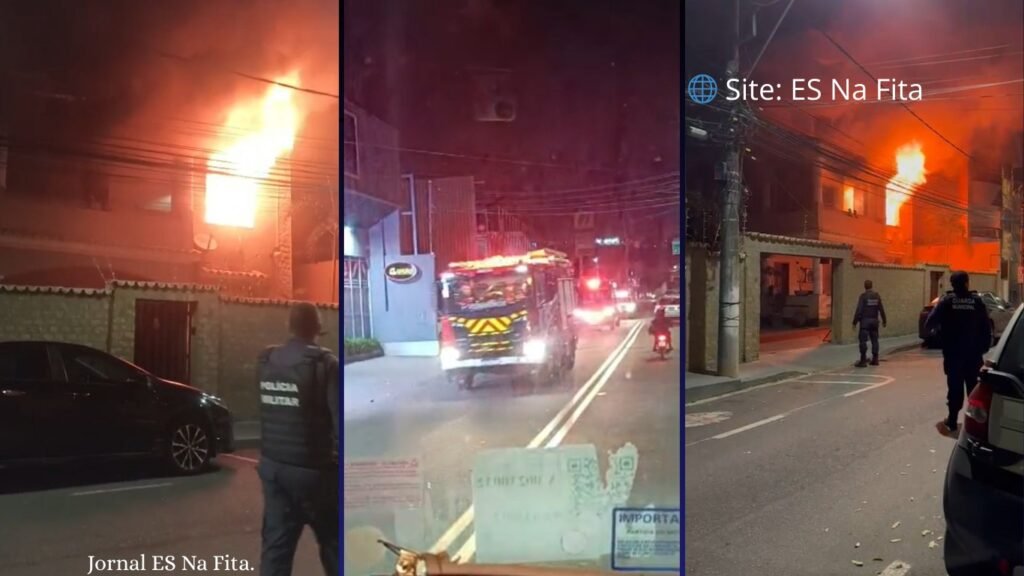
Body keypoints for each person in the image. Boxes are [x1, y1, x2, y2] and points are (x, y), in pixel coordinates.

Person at [257, 303, 339, 575]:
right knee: (335, 546)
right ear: (317, 329)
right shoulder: (324, 364)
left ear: (289, 327)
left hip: (274, 471)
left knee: (276, 553)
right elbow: (339, 424)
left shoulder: (267, 360)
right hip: (315, 476)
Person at [924, 271, 992, 439]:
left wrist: (939, 335)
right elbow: (986, 326)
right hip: (973, 354)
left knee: (954, 387)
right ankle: (977, 423)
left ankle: (952, 420)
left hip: (953, 354)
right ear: (967, 283)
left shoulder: (947, 302)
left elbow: (929, 323)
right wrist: (983, 347)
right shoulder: (976, 302)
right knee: (974, 389)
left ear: (952, 285)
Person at [853, 280, 887, 367]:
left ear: (865, 286)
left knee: (863, 341)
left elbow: (859, 310)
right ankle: (875, 359)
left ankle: (863, 360)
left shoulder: (863, 297)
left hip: (865, 323)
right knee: (875, 340)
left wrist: (855, 322)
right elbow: (881, 309)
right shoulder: (876, 296)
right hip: (874, 322)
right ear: (871, 286)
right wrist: (884, 320)